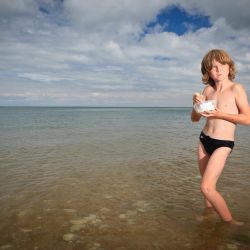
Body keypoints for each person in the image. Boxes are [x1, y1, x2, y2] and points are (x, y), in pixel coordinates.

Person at [191, 49, 250, 225]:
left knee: (206, 187)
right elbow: (195, 119)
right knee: (207, 187)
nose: (219, 70)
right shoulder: (207, 90)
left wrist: (219, 114)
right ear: (207, 71)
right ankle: (208, 216)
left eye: (223, 65)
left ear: (229, 66)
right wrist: (196, 106)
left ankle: (229, 223)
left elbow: (247, 119)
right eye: (214, 67)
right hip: (204, 140)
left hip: (223, 143)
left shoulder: (236, 89)